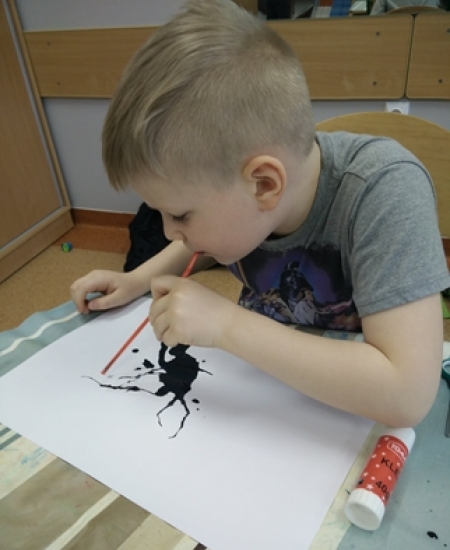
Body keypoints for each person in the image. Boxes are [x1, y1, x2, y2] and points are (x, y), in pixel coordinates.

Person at [70, 0, 449, 428]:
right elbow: (202, 243)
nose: (170, 232)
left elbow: (408, 396)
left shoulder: (384, 192)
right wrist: (137, 280)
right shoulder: (246, 204)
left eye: (181, 215)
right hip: (267, 394)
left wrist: (227, 326)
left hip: (353, 415)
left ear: (264, 185)